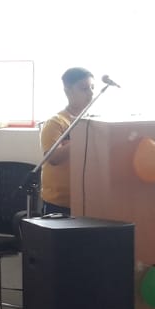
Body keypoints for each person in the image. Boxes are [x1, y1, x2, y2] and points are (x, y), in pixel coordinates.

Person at [39, 67, 96, 216]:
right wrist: (80, 138)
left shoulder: (95, 122)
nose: (91, 93)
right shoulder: (56, 122)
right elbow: (53, 158)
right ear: (68, 91)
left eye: (92, 87)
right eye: (84, 89)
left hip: (89, 199)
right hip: (60, 203)